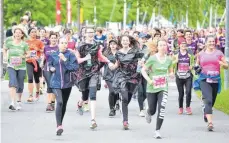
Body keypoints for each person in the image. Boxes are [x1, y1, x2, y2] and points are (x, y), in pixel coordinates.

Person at [76, 27, 110, 129]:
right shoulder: (80, 45)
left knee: (93, 94)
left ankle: (93, 120)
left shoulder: (96, 45)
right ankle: (80, 103)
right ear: (85, 34)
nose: (91, 34)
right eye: (88, 32)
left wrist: (109, 61)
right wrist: (85, 58)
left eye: (92, 32)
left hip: (94, 71)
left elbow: (100, 57)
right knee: (85, 95)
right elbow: (77, 60)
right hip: (83, 72)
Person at [193, 35, 228, 131]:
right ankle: (210, 123)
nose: (212, 43)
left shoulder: (219, 53)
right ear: (206, 43)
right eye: (210, 41)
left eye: (213, 41)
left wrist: (222, 64)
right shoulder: (201, 54)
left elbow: (226, 66)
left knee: (211, 101)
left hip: (215, 79)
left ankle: (206, 112)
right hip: (204, 79)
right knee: (208, 100)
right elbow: (197, 65)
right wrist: (196, 68)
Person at [141, 39, 174, 139]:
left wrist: (171, 75)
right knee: (153, 110)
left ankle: (157, 130)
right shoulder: (152, 58)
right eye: (161, 45)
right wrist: (149, 80)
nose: (163, 47)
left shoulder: (169, 59)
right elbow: (143, 70)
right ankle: (148, 111)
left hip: (163, 87)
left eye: (164, 45)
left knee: (162, 108)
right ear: (157, 47)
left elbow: (171, 71)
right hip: (152, 87)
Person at [109, 35, 143, 130]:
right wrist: (112, 66)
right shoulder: (118, 53)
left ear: (129, 42)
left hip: (133, 76)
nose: (124, 42)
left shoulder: (135, 51)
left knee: (129, 97)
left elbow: (140, 61)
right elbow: (117, 64)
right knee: (124, 98)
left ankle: (123, 109)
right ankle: (125, 121)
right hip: (122, 76)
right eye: (123, 40)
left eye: (126, 40)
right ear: (121, 42)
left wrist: (141, 65)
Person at [48, 38, 78, 136]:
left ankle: (60, 124)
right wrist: (51, 68)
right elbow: (49, 65)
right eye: (62, 43)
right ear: (58, 44)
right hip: (55, 83)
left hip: (67, 83)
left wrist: (65, 60)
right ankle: (59, 125)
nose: (64, 45)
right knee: (59, 102)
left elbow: (75, 67)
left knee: (63, 104)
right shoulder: (53, 55)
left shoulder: (71, 55)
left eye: (66, 43)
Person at [3, 25, 29, 111]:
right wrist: (5, 56)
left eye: (19, 33)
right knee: (13, 83)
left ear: (22, 35)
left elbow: (28, 54)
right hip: (11, 65)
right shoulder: (9, 42)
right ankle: (12, 103)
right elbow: (5, 49)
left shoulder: (24, 44)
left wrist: (23, 56)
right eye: (16, 32)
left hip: (21, 67)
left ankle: (18, 101)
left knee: (20, 85)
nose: (17, 34)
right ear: (13, 34)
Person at [173, 41, 195, 115]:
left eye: (184, 45)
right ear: (179, 45)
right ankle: (180, 108)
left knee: (188, 92)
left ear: (186, 46)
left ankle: (188, 107)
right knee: (181, 93)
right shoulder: (176, 54)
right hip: (179, 76)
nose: (183, 46)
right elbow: (171, 64)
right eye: (182, 44)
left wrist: (191, 66)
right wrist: (175, 61)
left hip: (188, 76)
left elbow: (193, 62)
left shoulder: (189, 54)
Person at [26, 28, 44, 102]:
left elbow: (43, 50)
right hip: (29, 61)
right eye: (32, 32)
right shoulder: (26, 42)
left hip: (37, 61)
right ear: (29, 33)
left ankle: (37, 91)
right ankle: (30, 95)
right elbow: (23, 50)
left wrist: (38, 49)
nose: (33, 33)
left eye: (35, 32)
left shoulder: (39, 41)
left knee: (36, 78)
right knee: (30, 77)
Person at [42, 32, 59, 112]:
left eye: (55, 38)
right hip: (47, 68)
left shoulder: (59, 48)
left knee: (54, 86)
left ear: (57, 39)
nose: (53, 39)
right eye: (52, 38)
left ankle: (52, 102)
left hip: (56, 69)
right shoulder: (46, 47)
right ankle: (49, 104)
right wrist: (41, 63)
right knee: (49, 85)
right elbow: (44, 57)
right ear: (49, 39)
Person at [103, 40, 120, 117]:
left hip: (118, 75)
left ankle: (117, 101)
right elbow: (101, 64)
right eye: (111, 44)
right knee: (112, 91)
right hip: (108, 75)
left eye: (114, 44)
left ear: (117, 45)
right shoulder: (106, 53)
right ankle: (111, 109)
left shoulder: (120, 53)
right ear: (109, 45)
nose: (113, 46)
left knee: (116, 91)